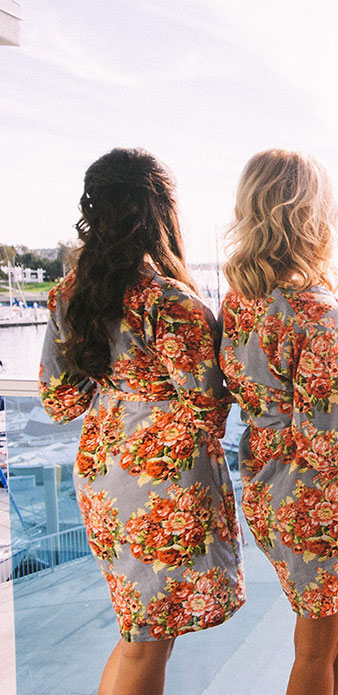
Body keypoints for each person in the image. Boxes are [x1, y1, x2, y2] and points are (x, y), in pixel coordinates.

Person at [39, 148, 245, 695]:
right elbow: (208, 409)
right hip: (162, 480)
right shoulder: (169, 300)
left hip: (104, 469)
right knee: (147, 638)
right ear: (162, 214)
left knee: (138, 629)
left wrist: (115, 383)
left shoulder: (69, 296)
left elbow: (59, 401)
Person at [219, 149, 338, 695]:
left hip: (272, 483)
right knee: (315, 653)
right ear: (311, 216)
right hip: (319, 500)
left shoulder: (239, 301)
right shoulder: (318, 313)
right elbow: (325, 443)